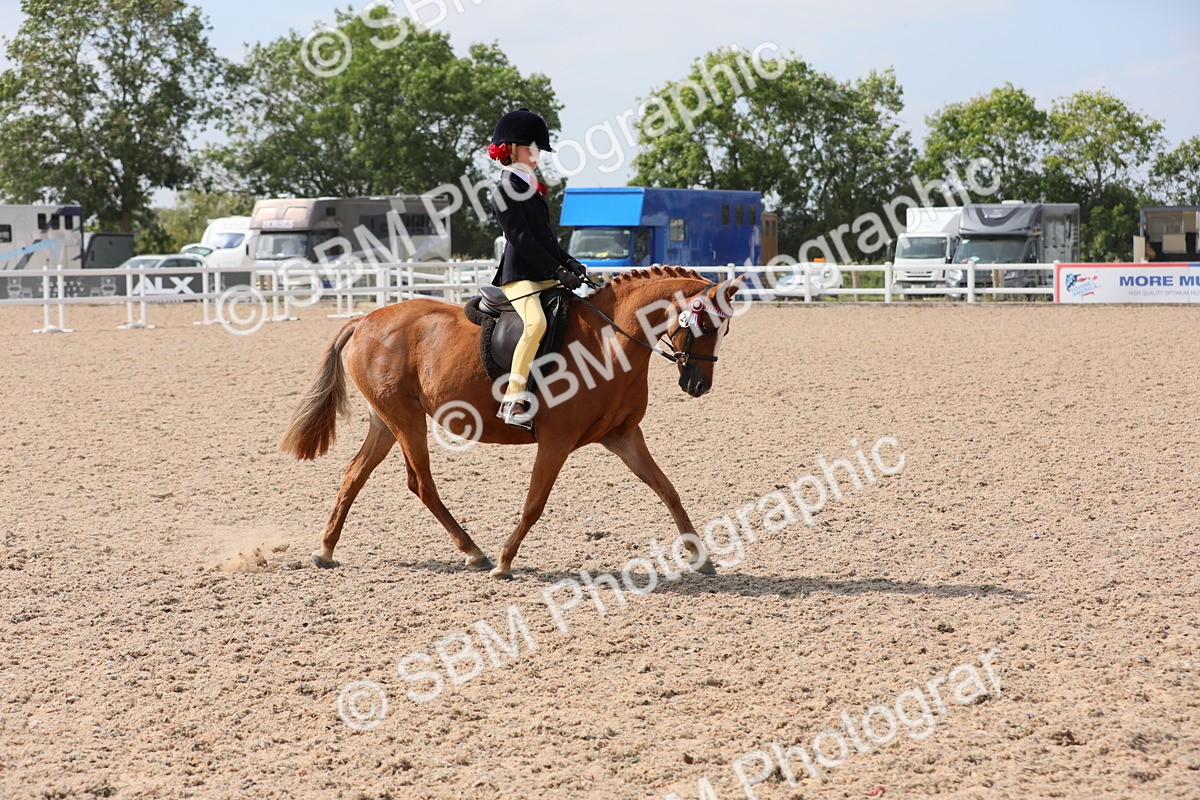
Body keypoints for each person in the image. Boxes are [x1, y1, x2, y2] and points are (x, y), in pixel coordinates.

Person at [488, 107, 587, 430]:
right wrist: (557, 272)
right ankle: (514, 399)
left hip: (542, 273)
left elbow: (546, 239)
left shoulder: (531, 186)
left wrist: (569, 262)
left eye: (539, 150)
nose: (536, 155)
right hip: (518, 276)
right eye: (531, 148)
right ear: (511, 149)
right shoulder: (504, 188)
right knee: (536, 324)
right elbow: (521, 238)